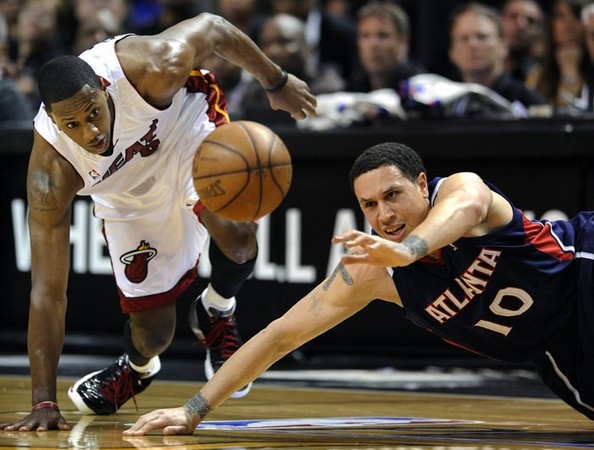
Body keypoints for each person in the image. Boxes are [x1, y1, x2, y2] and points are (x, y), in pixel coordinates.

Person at [124, 141, 594, 435]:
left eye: (393, 195)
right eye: (369, 205)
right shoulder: (369, 272)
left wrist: (408, 250)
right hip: (555, 348)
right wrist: (193, 409)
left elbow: (466, 208)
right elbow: (280, 336)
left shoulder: (460, 192)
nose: (383, 213)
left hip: (583, 268)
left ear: (422, 185)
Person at [0, 11, 315, 432]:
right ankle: (137, 367)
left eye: (93, 112)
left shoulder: (154, 65)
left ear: (105, 88)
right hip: (127, 197)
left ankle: (217, 308)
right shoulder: (51, 173)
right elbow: (47, 292)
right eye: (72, 124)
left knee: (237, 237)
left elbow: (215, 27)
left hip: (183, 133)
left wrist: (275, 82)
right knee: (154, 331)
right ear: (55, 124)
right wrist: (43, 400)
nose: (90, 132)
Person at [448, 2, 548, 113]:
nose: (472, 45)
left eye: (481, 37)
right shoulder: (445, 104)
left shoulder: (529, 103)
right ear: (452, 52)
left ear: (503, 46)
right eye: (464, 39)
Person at [525, 0, 591, 111]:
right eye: (560, 17)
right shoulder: (537, 75)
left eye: (577, 16)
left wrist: (570, 73)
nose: (568, 25)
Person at [346, 1, 424, 93]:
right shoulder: (354, 90)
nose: (373, 45)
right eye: (365, 36)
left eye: (382, 36)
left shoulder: (421, 88)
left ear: (403, 41)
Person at [500, 0, 546, 84]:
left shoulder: (544, 76)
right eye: (513, 16)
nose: (521, 25)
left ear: (540, 31)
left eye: (530, 20)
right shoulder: (481, 67)